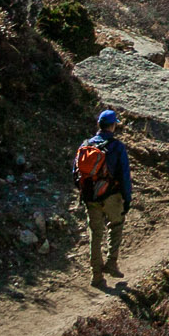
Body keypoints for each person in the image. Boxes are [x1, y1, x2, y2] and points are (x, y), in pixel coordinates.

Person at [73, 108, 132, 288]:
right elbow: (124, 175)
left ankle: (96, 276)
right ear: (112, 126)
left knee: (95, 235)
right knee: (116, 225)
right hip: (111, 195)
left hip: (90, 196)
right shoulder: (117, 147)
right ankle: (111, 263)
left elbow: (75, 173)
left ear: (99, 125)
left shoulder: (85, 145)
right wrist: (127, 199)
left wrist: (87, 191)